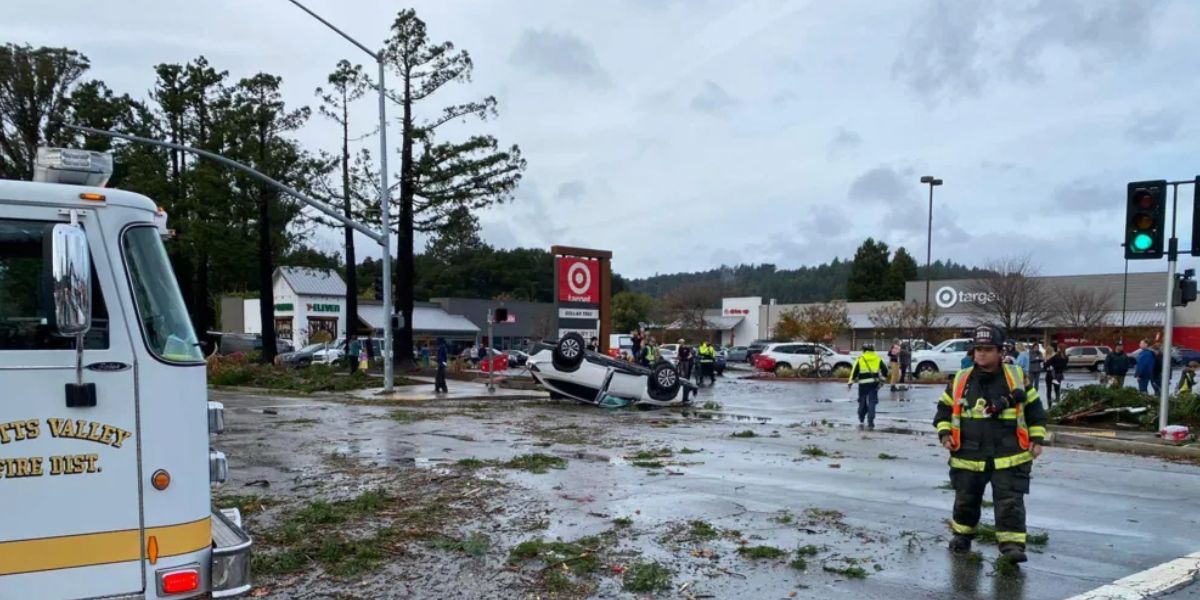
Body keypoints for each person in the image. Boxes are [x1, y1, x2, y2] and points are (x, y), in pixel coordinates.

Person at [935, 325, 1046, 565]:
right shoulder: (960, 380)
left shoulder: (1016, 378)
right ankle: (962, 537)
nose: (981, 354)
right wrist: (944, 435)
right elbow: (943, 411)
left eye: (987, 349)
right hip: (968, 454)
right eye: (977, 349)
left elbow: (1036, 411)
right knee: (966, 499)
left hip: (1010, 454)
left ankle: (1012, 546)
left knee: (1009, 502)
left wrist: (1037, 440)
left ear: (999, 351)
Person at [849, 343, 888, 429]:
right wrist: (883, 380)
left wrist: (850, 382)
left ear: (864, 350)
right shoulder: (878, 358)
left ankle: (861, 418)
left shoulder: (860, 359)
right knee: (872, 401)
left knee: (862, 401)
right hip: (874, 384)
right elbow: (885, 370)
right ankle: (871, 420)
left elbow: (854, 371)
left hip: (863, 384)